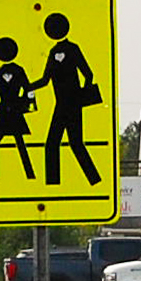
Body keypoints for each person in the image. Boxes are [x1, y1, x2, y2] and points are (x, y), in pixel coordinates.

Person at [38, 12, 102, 186]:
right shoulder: (52, 52)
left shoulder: (73, 49)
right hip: (60, 105)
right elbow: (45, 80)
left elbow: (88, 74)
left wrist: (81, 96)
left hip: (73, 105)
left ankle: (93, 180)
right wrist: (26, 87)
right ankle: (54, 183)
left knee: (73, 143)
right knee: (54, 144)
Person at [0, 37, 36, 180]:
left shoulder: (13, 71)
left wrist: (30, 104)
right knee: (1, 146)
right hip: (6, 112)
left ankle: (30, 175)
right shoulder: (5, 71)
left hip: (11, 112)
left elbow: (28, 89)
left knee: (17, 145)